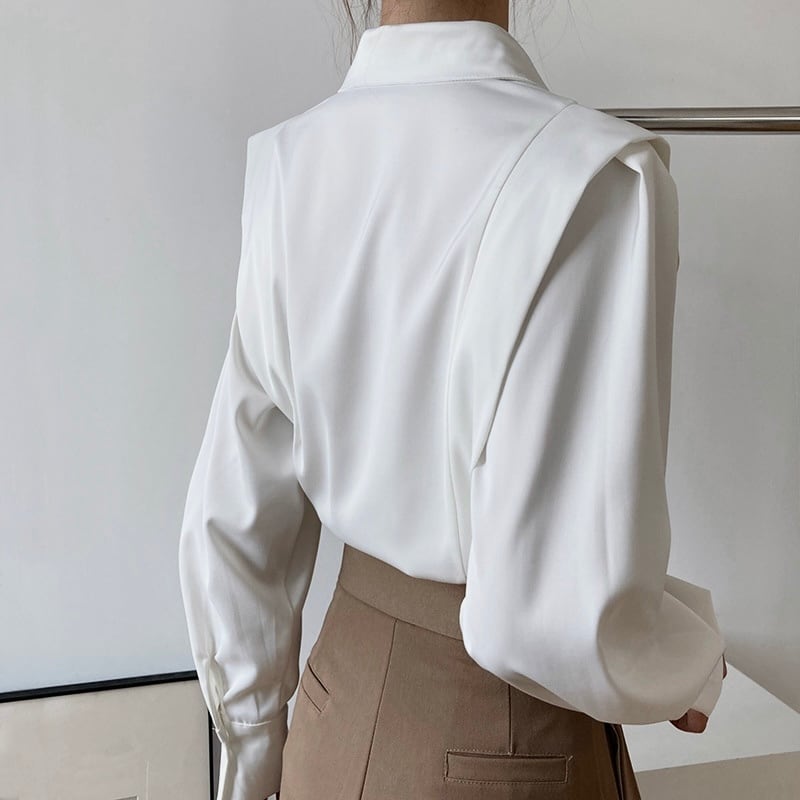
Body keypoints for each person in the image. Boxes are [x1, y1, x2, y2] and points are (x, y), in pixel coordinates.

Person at [178, 2, 728, 799]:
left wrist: (254, 742)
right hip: (503, 742)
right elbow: (561, 619)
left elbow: (233, 513)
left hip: (334, 708)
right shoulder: (596, 175)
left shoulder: (289, 161)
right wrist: (687, 663)